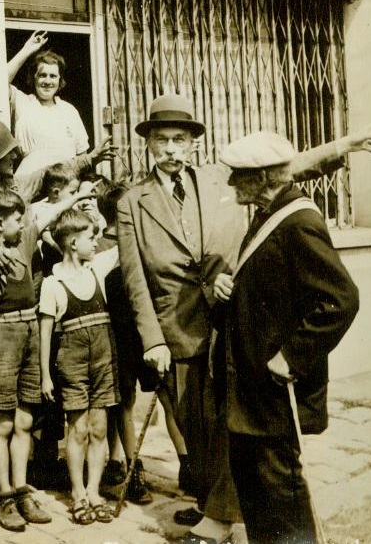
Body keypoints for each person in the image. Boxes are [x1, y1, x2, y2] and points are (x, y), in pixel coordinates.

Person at [117, 94, 371, 544]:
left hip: (237, 329)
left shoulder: (225, 178)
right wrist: (152, 339)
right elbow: (135, 277)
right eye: (163, 140)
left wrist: (343, 146)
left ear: (194, 144)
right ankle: (219, 508)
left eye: (181, 140)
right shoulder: (132, 201)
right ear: (149, 145)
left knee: (245, 432)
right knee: (201, 431)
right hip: (178, 330)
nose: (172, 149)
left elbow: (288, 169)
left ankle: (221, 518)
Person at [212, 132, 359, 544]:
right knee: (257, 494)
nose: (230, 184)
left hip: (276, 390)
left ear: (262, 178)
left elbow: (341, 300)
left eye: (238, 176)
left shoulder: (298, 222)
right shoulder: (267, 213)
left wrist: (292, 358)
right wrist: (231, 285)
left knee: (283, 498)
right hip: (251, 388)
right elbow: (272, 285)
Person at [0, 185, 93, 531]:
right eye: (18, 219)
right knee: (2, 423)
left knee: (24, 421)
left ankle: (21, 490)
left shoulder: (24, 240)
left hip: (31, 332)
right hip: (1, 336)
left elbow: (49, 214)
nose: (24, 224)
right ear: (0, 222)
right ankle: (4, 495)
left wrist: (78, 196)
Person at [0, 117, 112, 280]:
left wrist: (88, 159)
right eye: (8, 153)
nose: (15, 156)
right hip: (2, 299)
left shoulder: (16, 186)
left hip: (34, 285)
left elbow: (49, 175)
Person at [38, 209, 119, 525]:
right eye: (90, 237)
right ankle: (78, 493)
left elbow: (126, 235)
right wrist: (45, 375)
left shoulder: (96, 269)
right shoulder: (52, 283)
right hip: (72, 361)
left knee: (99, 428)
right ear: (72, 242)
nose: (96, 241)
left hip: (103, 357)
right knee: (79, 428)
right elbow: (46, 334)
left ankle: (95, 491)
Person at [90, 181, 159, 506]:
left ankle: (124, 464)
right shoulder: (99, 249)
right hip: (114, 336)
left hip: (139, 334)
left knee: (130, 404)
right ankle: (128, 468)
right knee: (123, 404)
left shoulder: (142, 243)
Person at [6, 30, 90, 176]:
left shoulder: (69, 111)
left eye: (53, 76)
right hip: (30, 183)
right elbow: (0, 80)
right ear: (34, 78)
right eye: (42, 75)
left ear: (60, 80)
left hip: (65, 185)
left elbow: (83, 156)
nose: (47, 81)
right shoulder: (23, 103)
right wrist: (27, 50)